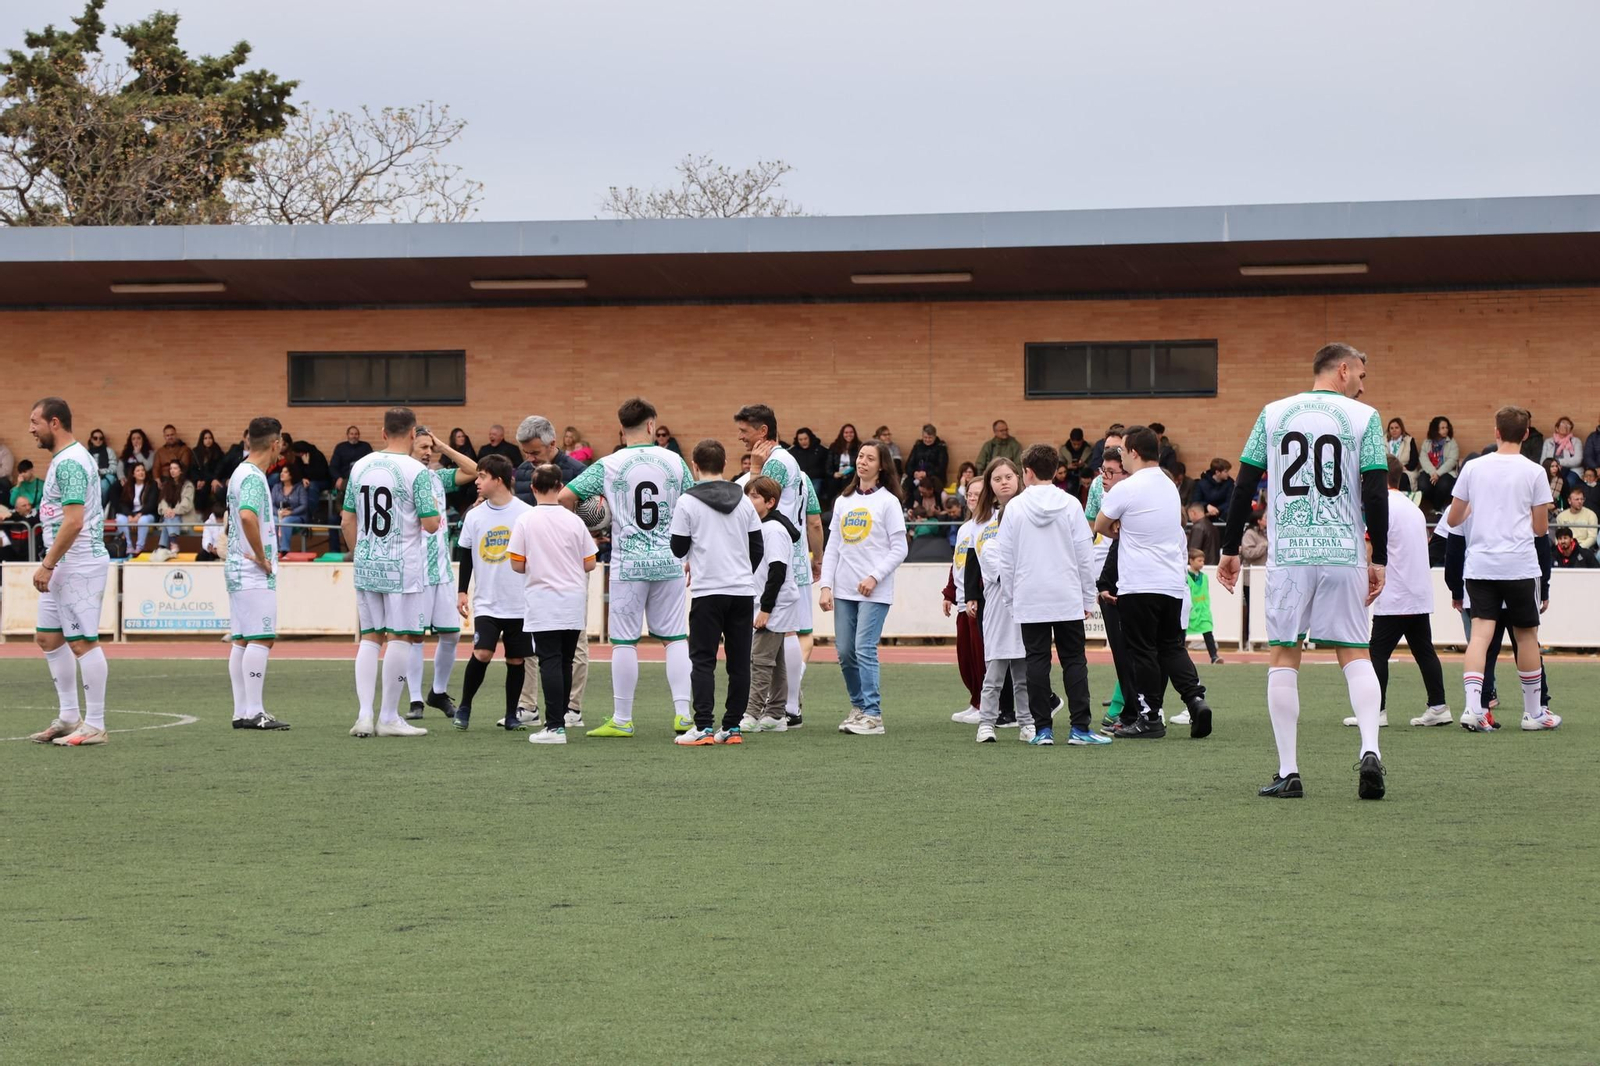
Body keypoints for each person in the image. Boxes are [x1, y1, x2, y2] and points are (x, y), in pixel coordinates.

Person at [1218, 343, 1389, 799]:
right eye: (1361, 376)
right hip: (1342, 550)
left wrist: (1229, 547)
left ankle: (1288, 771)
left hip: (1291, 554)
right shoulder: (1365, 418)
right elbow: (1376, 493)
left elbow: (1243, 485)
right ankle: (1370, 749)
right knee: (1355, 653)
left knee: (1283, 655)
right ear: (1344, 369)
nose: (1362, 385)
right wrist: (1380, 557)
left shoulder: (1272, 413)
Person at [562, 397, 697, 738]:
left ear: (621, 429)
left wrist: (596, 521)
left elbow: (565, 496)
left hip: (628, 563)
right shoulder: (675, 462)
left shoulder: (609, 463)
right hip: (669, 560)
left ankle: (622, 719)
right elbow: (694, 503)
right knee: (676, 638)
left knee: (624, 641)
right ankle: (684, 714)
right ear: (652, 425)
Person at [1094, 426, 1212, 740]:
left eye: (1122, 452)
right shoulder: (1170, 485)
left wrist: (1120, 529)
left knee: (1142, 651)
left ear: (1133, 452)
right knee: (1172, 647)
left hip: (1139, 583)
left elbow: (1100, 524)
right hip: (1171, 583)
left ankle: (1149, 718)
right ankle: (1195, 699)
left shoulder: (1128, 487)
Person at [1448, 405, 1560, 732]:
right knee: (1526, 636)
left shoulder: (1473, 468)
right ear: (1526, 434)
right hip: (1519, 564)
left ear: (1496, 431)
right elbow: (1541, 529)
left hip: (1481, 564)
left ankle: (1473, 708)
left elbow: (1454, 519)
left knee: (1480, 635)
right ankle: (1534, 713)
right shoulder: (1534, 471)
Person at [990, 443, 1102, 747]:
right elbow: (1084, 554)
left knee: (1036, 662)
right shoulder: (1070, 505)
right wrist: (1087, 596)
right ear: (1055, 470)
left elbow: (1006, 560)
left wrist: (1011, 599)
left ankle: (1043, 730)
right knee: (1074, 660)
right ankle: (1080, 728)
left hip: (1030, 595)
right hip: (1065, 594)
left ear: (1026, 472)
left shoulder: (1014, 508)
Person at [341, 407, 443, 739]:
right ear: (413, 434)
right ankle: (388, 716)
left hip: (368, 563)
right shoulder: (418, 470)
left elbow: (346, 519)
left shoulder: (360, 466)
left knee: (370, 638)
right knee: (399, 637)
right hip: (403, 566)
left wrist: (360, 551)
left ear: (383, 433)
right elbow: (431, 524)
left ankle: (363, 715)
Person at [25, 398, 114, 747]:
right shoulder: (66, 460)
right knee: (49, 637)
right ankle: (67, 717)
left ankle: (95, 724)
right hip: (64, 562)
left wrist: (48, 564)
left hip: (79, 562)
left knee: (82, 642)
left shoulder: (71, 463)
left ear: (55, 422)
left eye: (35, 421)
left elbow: (74, 521)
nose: (31, 428)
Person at [736, 404, 826, 732]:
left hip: (777, 558)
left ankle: (784, 707)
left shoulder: (772, 465)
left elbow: (752, 504)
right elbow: (813, 520)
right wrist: (817, 558)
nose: (740, 437)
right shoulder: (796, 468)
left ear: (762, 432)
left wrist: (755, 469)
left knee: (779, 633)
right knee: (790, 631)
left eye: (745, 431)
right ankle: (787, 707)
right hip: (795, 555)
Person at [669, 439, 763, 745]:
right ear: (725, 464)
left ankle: (704, 727)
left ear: (695, 466)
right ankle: (732, 727)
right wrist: (740, 570)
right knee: (738, 663)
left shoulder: (687, 501)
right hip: (741, 591)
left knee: (703, 659)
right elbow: (757, 548)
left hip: (709, 591)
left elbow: (678, 547)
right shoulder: (745, 500)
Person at [1355, 455, 1451, 729]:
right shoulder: (1414, 509)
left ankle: (1377, 711)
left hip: (1394, 592)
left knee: (1376, 652)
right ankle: (1438, 705)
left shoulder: (1380, 506)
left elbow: (1370, 547)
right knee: (1424, 650)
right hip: (1417, 592)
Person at [820, 439, 907, 735]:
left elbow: (900, 548)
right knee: (845, 651)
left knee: (864, 648)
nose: (862, 461)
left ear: (881, 466)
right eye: (860, 456)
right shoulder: (843, 501)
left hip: (875, 591)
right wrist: (825, 586)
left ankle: (873, 714)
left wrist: (874, 576)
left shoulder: (888, 502)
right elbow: (833, 546)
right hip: (843, 589)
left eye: (870, 458)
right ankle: (858, 707)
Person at [513, 414, 592, 729]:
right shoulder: (521, 473)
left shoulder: (579, 473)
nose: (530, 459)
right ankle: (529, 705)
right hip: (536, 568)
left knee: (574, 645)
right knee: (536, 644)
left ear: (553, 445)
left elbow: (596, 514)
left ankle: (571, 707)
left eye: (535, 452)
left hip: (568, 566)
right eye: (526, 453)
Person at [451, 454, 534, 731]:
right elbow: (466, 555)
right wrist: (462, 591)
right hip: (487, 602)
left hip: (519, 602)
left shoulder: (525, 513)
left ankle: (512, 714)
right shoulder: (474, 516)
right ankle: (464, 707)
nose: (477, 481)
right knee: (483, 652)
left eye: (482, 476)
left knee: (515, 659)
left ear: (497, 480)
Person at [403, 428, 478, 721]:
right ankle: (415, 700)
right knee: (414, 637)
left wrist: (443, 446)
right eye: (422, 446)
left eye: (429, 448)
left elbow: (473, 470)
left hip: (441, 570)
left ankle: (437, 692)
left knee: (451, 634)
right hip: (414, 570)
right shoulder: (403, 479)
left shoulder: (436, 478)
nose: (427, 452)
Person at [221, 417, 290, 730]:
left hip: (236, 565)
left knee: (242, 640)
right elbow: (248, 516)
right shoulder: (252, 477)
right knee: (261, 638)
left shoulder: (240, 472)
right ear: (274, 444)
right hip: (251, 568)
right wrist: (262, 557)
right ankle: (254, 711)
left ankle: (242, 710)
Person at [965, 460, 1038, 743]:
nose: (1004, 482)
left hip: (1025, 605)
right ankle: (987, 722)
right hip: (997, 607)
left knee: (1023, 672)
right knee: (994, 671)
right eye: (997, 478)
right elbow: (996, 568)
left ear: (1020, 479)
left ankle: (1026, 722)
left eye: (1009, 476)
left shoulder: (1030, 513)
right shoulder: (984, 528)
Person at [742, 476, 802, 732]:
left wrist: (766, 608)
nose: (749, 500)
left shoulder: (774, 530)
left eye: (755, 496)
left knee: (760, 659)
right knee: (775, 659)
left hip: (776, 602)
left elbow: (777, 570)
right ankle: (777, 713)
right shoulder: (761, 527)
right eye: (748, 495)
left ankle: (752, 713)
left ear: (770, 502)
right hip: (772, 600)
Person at [945, 480, 986, 723]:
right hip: (962, 601)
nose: (971, 498)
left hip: (977, 600)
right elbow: (956, 564)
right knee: (966, 656)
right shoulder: (964, 528)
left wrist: (976, 594)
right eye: (969, 494)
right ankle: (975, 699)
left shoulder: (991, 524)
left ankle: (986, 703)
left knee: (981, 654)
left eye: (977, 494)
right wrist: (949, 593)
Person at [329, 425, 372, 553]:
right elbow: (333, 467)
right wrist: (338, 478)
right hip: (344, 482)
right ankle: (334, 551)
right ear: (347, 435)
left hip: (362, 506)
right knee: (332, 520)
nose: (354, 436)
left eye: (356, 434)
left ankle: (358, 551)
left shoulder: (365, 447)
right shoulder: (340, 448)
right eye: (351, 434)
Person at [113, 462, 159, 555]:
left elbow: (151, 504)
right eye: (138, 471)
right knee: (120, 519)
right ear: (133, 474)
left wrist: (138, 515)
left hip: (147, 514)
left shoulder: (152, 484)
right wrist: (129, 515)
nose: (141, 472)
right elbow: (123, 503)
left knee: (143, 520)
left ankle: (139, 547)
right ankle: (128, 546)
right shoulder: (128, 485)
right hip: (132, 514)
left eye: (142, 470)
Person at [1186, 549, 1223, 665]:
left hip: (1203, 611)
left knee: (1208, 633)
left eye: (1203, 561)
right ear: (1191, 561)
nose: (1202, 563)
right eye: (1199, 560)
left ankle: (1214, 656)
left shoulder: (1205, 577)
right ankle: (1181, 657)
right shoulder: (1186, 577)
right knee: (1181, 634)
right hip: (1189, 611)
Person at [1418, 415, 1460, 512]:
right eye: (1442, 428)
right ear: (1435, 429)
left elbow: (1452, 460)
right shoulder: (1427, 442)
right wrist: (1433, 472)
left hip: (1446, 472)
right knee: (1423, 485)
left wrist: (1438, 473)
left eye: (1446, 427)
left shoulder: (1452, 443)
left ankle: (1436, 509)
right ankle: (1433, 506)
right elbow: (1423, 458)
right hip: (1429, 471)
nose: (1445, 430)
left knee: (1443, 485)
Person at [269, 466, 311, 553]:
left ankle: (284, 550)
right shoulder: (276, 487)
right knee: (273, 520)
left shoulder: (300, 488)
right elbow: (271, 504)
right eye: (281, 472)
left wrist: (291, 512)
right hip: (279, 514)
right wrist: (278, 512)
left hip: (296, 516)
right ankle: (275, 550)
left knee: (286, 521)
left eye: (285, 472)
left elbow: (304, 505)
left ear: (292, 475)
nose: (282, 474)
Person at [157, 459, 196, 550]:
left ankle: (163, 546)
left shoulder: (188, 485)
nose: (172, 471)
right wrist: (167, 510)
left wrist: (173, 511)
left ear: (181, 471)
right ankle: (173, 543)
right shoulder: (167, 484)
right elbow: (162, 502)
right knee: (169, 517)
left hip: (184, 517)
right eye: (171, 468)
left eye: (175, 468)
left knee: (170, 517)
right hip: (169, 517)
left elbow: (186, 504)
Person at [438, 428, 478, 514]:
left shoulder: (468, 450)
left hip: (467, 481)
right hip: (453, 479)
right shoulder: (449, 450)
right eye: (459, 436)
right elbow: (442, 463)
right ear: (453, 438)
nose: (461, 438)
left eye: (463, 436)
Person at [824, 423, 860, 508]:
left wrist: (850, 472)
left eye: (851, 432)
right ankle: (832, 509)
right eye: (846, 432)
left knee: (849, 484)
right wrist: (834, 474)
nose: (849, 435)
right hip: (837, 475)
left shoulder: (858, 446)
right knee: (832, 485)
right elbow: (828, 465)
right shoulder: (834, 446)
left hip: (851, 475)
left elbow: (858, 465)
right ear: (842, 434)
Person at [789, 427, 829, 502]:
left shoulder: (820, 450)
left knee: (814, 492)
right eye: (800, 440)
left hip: (816, 479)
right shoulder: (793, 452)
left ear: (810, 438)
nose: (803, 442)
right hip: (799, 480)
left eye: (805, 439)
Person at [1541, 416, 1582, 487]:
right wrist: (1554, 466)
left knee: (1569, 481)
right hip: (1552, 468)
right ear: (1557, 428)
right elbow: (1543, 460)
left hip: (1571, 469)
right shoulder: (1548, 442)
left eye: (1568, 425)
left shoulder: (1576, 441)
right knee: (1545, 481)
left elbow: (1578, 460)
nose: (1565, 427)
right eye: (1563, 425)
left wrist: (1559, 462)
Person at [1, 493, 43, 562]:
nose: (28, 508)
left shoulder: (35, 514)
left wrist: (15, 517)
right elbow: (5, 517)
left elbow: (31, 520)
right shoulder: (11, 516)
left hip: (33, 554)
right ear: (17, 509)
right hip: (15, 554)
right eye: (24, 506)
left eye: (29, 504)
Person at [191, 429, 224, 514]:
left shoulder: (217, 451)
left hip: (214, 479)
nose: (208, 440)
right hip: (200, 480)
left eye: (210, 438)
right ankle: (199, 516)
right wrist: (198, 480)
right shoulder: (196, 452)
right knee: (200, 492)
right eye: (205, 438)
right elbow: (192, 469)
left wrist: (212, 479)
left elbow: (220, 468)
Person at [1384, 418, 1420, 490]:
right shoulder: (1383, 441)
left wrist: (1402, 468)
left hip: (1406, 470)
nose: (1394, 430)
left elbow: (1414, 460)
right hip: (1387, 469)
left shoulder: (1409, 440)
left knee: (1402, 478)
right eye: (1391, 428)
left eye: (1396, 428)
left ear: (1401, 429)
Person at [85, 428, 119, 505]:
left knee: (102, 487)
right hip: (91, 477)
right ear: (91, 440)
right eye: (95, 438)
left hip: (106, 476)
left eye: (101, 438)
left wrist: (101, 472)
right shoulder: (86, 453)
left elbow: (114, 468)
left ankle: (101, 507)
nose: (98, 440)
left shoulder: (109, 451)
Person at [1061, 428, 1091, 497]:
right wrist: (1068, 466)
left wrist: (1083, 465)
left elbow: (1092, 465)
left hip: (1084, 475)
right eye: (1074, 444)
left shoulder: (1088, 449)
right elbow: (1060, 465)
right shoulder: (1064, 449)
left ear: (1082, 441)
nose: (1076, 446)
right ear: (1070, 440)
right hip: (1068, 476)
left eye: (1079, 444)